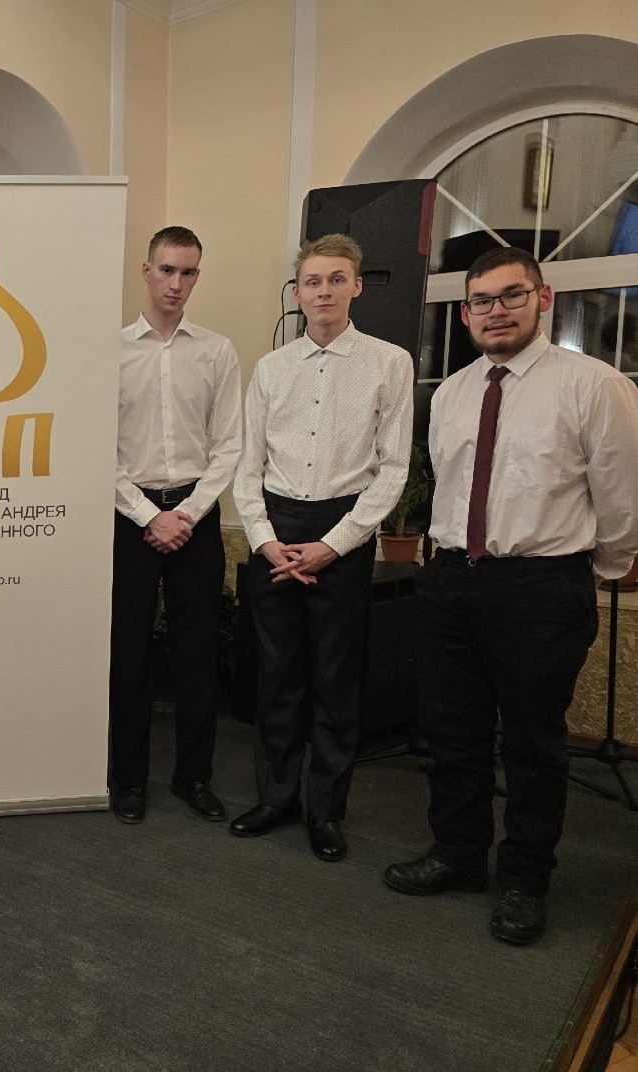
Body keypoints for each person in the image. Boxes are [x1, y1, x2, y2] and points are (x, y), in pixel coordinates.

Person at [383, 247, 638, 945]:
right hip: (451, 580)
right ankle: (458, 854)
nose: (495, 311)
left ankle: (525, 877)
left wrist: (598, 569)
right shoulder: (452, 392)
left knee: (532, 741)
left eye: (511, 295)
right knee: (452, 732)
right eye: (481, 301)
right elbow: (450, 485)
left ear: (542, 298)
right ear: (465, 312)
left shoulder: (594, 385)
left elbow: (620, 494)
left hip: (541, 586)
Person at [230, 233, 412, 862]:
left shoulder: (390, 362)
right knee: (277, 675)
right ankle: (276, 797)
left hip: (344, 529)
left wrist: (333, 546)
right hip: (276, 531)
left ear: (356, 286)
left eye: (337, 279)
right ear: (297, 292)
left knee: (336, 680)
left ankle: (325, 811)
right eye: (313, 281)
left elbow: (393, 469)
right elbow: (247, 467)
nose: (324, 291)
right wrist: (265, 541)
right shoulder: (271, 369)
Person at [109, 226, 242, 825]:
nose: (176, 283)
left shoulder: (217, 351)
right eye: (167, 270)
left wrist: (185, 514)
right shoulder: (111, 351)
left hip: (195, 516)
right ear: (147, 271)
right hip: (128, 516)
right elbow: (99, 449)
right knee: (128, 654)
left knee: (197, 653)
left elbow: (230, 444)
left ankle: (194, 776)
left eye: (187, 272)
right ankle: (128, 779)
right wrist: (147, 515)